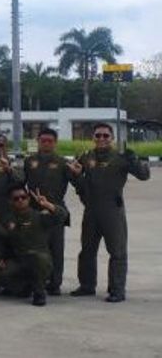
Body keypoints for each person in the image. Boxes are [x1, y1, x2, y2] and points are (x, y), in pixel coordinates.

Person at [70, 122, 151, 302]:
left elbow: (144, 176)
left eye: (105, 136)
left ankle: (117, 290)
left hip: (112, 211)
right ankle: (87, 285)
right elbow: (77, 181)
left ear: (112, 138)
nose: (101, 139)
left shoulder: (120, 157)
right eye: (98, 135)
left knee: (117, 252)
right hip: (91, 211)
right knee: (87, 251)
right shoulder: (85, 157)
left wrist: (134, 160)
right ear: (93, 137)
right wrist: (76, 176)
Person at [0, 185, 68, 306]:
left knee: (39, 260)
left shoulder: (39, 216)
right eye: (16, 198)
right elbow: (1, 238)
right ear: (10, 201)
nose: (20, 200)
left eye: (23, 197)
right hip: (20, 260)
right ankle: (23, 287)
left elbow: (62, 216)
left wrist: (48, 205)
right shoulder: (8, 219)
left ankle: (39, 293)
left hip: (38, 259)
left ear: (28, 199)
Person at [20, 127, 78, 295]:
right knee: (33, 248)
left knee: (56, 250)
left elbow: (78, 183)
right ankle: (34, 281)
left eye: (50, 141)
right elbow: (20, 182)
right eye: (43, 140)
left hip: (55, 212)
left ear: (55, 143)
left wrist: (78, 174)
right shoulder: (29, 161)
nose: (46, 144)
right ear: (38, 142)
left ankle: (54, 284)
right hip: (34, 212)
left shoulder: (62, 163)